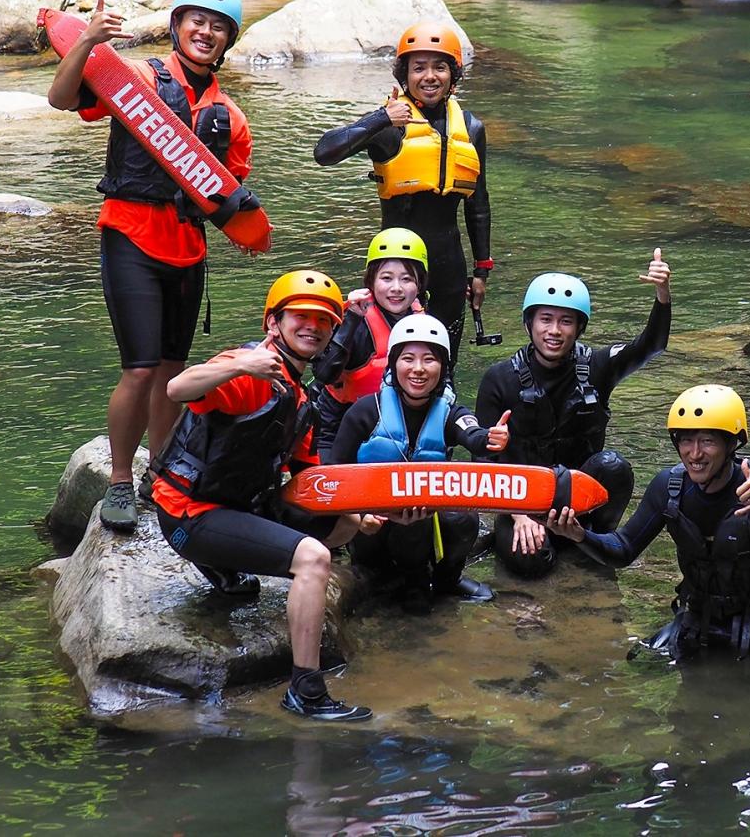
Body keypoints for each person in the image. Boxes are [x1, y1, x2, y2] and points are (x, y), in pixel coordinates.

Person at [47, 0, 257, 535]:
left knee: (171, 371)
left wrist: (246, 224)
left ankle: (161, 473)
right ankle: (120, 480)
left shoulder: (231, 117)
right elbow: (61, 99)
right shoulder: (136, 80)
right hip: (130, 236)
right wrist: (88, 41)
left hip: (187, 251)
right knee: (139, 369)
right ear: (176, 25)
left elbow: (229, 195)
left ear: (228, 40)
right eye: (197, 21)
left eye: (218, 27)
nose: (205, 32)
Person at [151, 269, 379, 721]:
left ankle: (227, 564)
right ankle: (305, 690)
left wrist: (363, 514)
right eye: (301, 317)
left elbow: (311, 481)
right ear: (274, 323)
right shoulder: (248, 368)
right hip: (189, 513)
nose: (312, 326)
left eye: (324, 320)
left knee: (343, 524)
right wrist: (239, 365)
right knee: (313, 558)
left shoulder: (301, 399)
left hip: (239, 505)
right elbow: (177, 388)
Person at [545, 385, 750, 668]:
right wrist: (580, 535)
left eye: (707, 441)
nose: (694, 454)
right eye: (686, 441)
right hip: (702, 615)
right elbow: (624, 549)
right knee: (642, 663)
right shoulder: (669, 487)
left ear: (732, 444)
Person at [475, 249, 672, 578]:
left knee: (613, 466)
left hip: (580, 498)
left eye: (566, 321)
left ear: (579, 328)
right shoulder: (499, 378)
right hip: (523, 501)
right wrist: (518, 515)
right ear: (529, 323)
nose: (554, 330)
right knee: (531, 564)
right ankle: (535, 538)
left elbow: (650, 346)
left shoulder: (597, 366)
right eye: (545, 319)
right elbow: (482, 463)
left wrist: (662, 295)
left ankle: (594, 540)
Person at [313, 23, 491, 358]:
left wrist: (481, 270)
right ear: (404, 75)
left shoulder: (471, 128)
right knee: (391, 358)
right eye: (418, 68)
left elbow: (478, 203)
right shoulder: (389, 127)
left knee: (442, 360)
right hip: (396, 265)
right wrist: (381, 118)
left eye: (439, 67)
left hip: (449, 267)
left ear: (453, 75)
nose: (429, 76)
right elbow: (324, 152)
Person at [328, 314, 510, 613]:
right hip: (371, 527)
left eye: (429, 360)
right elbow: (335, 473)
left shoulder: (450, 412)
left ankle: (438, 580)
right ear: (394, 364)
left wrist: (491, 438)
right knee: (396, 519)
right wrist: (359, 516)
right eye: (408, 359)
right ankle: (386, 579)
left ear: (443, 367)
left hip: (420, 525)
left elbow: (473, 434)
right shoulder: (365, 411)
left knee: (460, 517)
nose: (418, 369)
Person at [311, 227, 429, 456]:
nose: (396, 288)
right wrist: (351, 320)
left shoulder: (423, 320)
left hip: (397, 428)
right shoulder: (356, 321)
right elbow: (324, 374)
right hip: (338, 429)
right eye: (386, 278)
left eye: (406, 279)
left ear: (419, 284)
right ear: (371, 281)